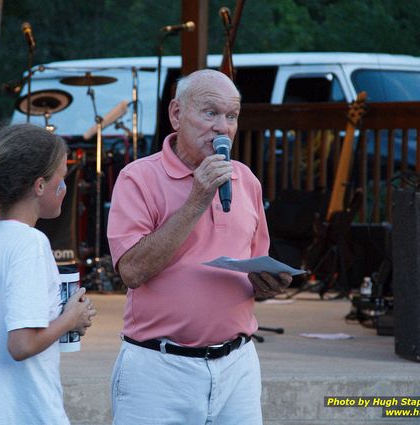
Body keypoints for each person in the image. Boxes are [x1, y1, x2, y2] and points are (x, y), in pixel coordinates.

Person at [107, 69, 293, 424]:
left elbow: (254, 264)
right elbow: (131, 271)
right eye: (210, 113)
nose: (222, 126)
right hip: (159, 369)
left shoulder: (246, 180)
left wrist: (267, 285)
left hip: (237, 365)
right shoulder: (138, 178)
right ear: (176, 114)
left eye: (231, 116)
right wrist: (196, 200)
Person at [0, 124, 97, 425]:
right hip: (21, 408)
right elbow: (21, 346)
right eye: (62, 177)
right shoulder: (30, 244)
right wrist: (71, 319)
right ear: (39, 186)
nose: (65, 187)